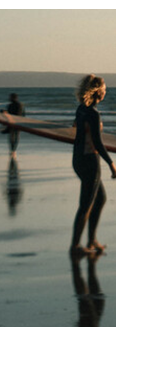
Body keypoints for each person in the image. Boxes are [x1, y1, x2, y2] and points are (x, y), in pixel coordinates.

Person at [70, 74, 116, 257]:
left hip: (78, 158)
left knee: (100, 199)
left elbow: (76, 130)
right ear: (99, 91)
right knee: (86, 205)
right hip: (90, 160)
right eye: (104, 89)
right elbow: (97, 142)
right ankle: (75, 247)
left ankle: (91, 240)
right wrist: (112, 164)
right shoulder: (93, 114)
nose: (106, 92)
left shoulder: (81, 109)